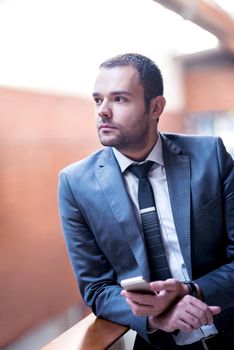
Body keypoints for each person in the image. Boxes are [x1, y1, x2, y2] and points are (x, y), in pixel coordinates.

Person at [58, 53, 234, 349]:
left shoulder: (211, 156)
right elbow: (97, 288)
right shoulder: (75, 184)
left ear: (155, 107)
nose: (103, 111)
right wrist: (156, 318)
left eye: (119, 99)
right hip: (158, 344)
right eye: (98, 100)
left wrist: (193, 291)